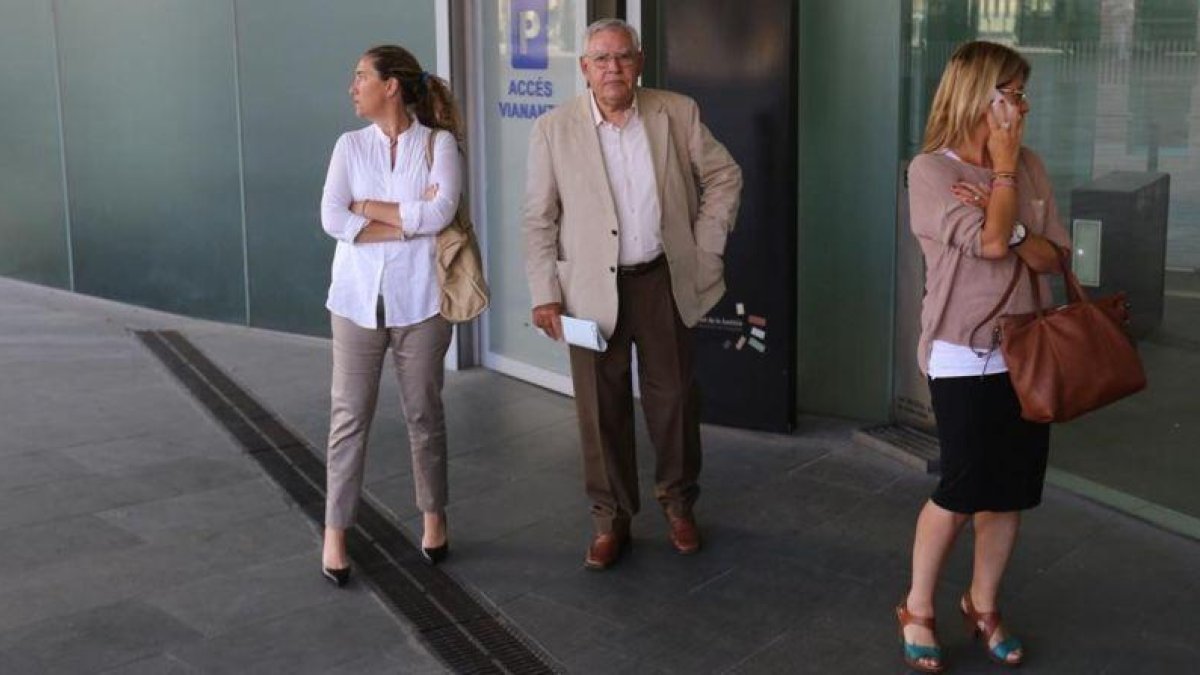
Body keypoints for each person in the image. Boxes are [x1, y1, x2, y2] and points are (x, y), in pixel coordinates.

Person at [522, 18, 742, 570]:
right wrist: (544, 292)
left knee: (674, 402)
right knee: (601, 411)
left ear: (639, 62)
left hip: (664, 279)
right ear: (584, 69)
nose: (612, 68)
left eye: (622, 57)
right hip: (589, 292)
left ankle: (678, 505)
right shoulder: (554, 128)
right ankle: (609, 518)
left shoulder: (677, 111)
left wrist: (705, 249)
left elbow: (725, 176)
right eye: (601, 59)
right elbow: (538, 219)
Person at [897, 41, 1071, 672]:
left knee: (1012, 490)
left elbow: (1054, 256)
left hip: (1028, 348)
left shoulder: (1032, 165)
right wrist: (1001, 176)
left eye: (1023, 92)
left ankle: (983, 602)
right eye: (1012, 91)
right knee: (963, 486)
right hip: (962, 352)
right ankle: (918, 606)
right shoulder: (932, 172)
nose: (1023, 105)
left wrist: (1019, 223)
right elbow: (991, 244)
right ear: (978, 95)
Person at [318, 44, 464, 585]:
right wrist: (405, 223)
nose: (352, 87)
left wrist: (369, 209)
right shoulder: (349, 146)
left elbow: (441, 211)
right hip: (356, 301)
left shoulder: (439, 144)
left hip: (422, 301)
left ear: (391, 86)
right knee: (348, 417)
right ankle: (336, 530)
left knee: (424, 413)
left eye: (360, 77)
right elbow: (332, 215)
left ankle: (434, 515)